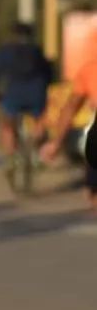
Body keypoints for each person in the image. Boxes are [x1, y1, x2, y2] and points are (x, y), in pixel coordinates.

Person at [0, 22, 52, 174]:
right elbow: (49, 74)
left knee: (8, 124)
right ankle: (37, 154)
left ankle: (10, 159)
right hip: (36, 92)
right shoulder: (37, 51)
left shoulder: (5, 52)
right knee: (39, 121)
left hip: (14, 93)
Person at [40, 56, 97, 212]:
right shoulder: (90, 70)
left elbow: (71, 107)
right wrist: (56, 142)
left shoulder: (91, 69)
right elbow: (71, 107)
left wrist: (56, 142)